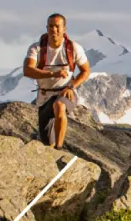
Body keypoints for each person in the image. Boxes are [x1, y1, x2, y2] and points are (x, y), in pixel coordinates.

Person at [23, 14, 91, 149]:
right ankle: (54, 150)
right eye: (51, 26)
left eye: (57, 26)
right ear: (46, 28)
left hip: (65, 92)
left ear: (64, 29)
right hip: (44, 96)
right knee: (47, 144)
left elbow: (85, 71)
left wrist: (71, 86)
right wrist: (53, 74)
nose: (54, 29)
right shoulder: (37, 48)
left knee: (59, 106)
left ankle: (59, 147)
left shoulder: (73, 48)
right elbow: (28, 70)